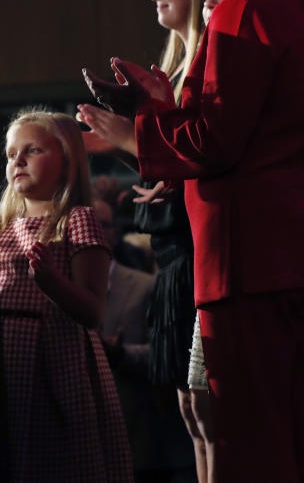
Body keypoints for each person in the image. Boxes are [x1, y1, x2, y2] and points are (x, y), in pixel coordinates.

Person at [83, 0, 304, 481]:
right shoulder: (286, 10)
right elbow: (251, 135)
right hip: (276, 252)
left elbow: (217, 141)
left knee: (249, 444)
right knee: (286, 438)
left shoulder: (243, 10)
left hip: (245, 256)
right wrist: (162, 110)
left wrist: (129, 136)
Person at [77, 0, 213, 483]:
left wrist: (129, 140)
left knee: (208, 412)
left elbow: (203, 153)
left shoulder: (203, 68)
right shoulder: (176, 69)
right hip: (174, 253)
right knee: (192, 410)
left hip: (199, 254)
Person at [0, 110, 133, 482]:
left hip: (52, 359)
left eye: (33, 150)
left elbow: (93, 311)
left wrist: (52, 283)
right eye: (11, 154)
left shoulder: (75, 220)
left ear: (65, 162)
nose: (18, 161)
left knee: (51, 461)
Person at [97, 199, 195, 483]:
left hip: (140, 438)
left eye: (98, 226)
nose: (86, 234)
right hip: (79, 435)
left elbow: (167, 355)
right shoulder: (56, 285)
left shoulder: (145, 285)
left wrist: (120, 353)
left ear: (114, 232)